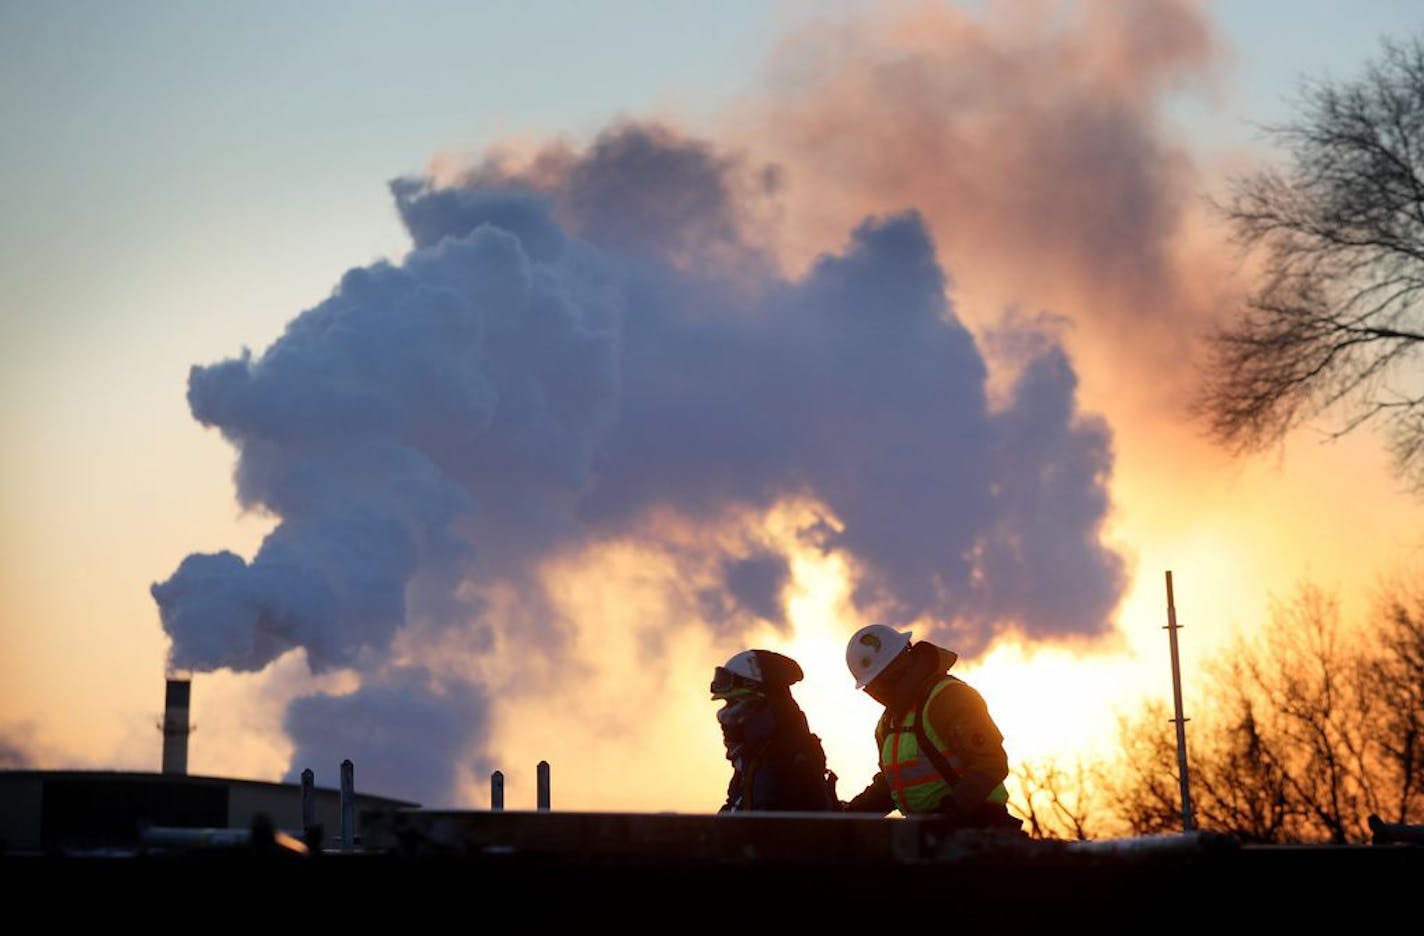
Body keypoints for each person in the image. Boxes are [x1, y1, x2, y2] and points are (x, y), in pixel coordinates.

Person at [841, 623, 1024, 834]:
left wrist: (950, 812)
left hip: (980, 828)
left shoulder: (948, 698)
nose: (876, 693)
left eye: (881, 682)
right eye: (870, 687)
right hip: (928, 835)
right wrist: (850, 813)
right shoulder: (888, 724)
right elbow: (892, 785)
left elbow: (991, 762)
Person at [710, 649, 839, 813]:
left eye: (733, 702)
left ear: (759, 705)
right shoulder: (753, 759)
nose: (725, 717)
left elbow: (796, 833)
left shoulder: (790, 759)